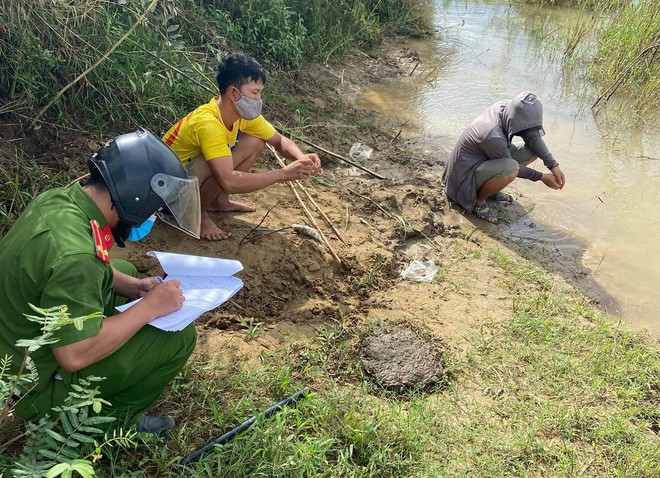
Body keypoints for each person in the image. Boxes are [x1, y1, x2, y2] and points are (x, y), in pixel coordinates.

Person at [0, 128, 201, 435]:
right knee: (179, 338)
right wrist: (149, 308)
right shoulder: (77, 259)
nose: (151, 217)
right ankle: (100, 429)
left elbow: (78, 268)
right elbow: (73, 355)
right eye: (154, 209)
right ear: (136, 196)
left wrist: (137, 289)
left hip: (13, 339)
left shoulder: (58, 201)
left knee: (124, 271)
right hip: (24, 386)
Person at [162, 52, 323, 241]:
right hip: (167, 193)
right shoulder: (208, 123)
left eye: (260, 93)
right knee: (217, 164)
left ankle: (219, 202)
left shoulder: (240, 116)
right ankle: (197, 215)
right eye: (254, 92)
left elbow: (280, 141)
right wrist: (284, 174)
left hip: (186, 182)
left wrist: (301, 157)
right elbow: (229, 180)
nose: (258, 99)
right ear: (233, 92)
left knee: (254, 142)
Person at [442, 91, 566, 224]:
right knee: (511, 168)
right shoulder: (493, 135)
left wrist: (553, 165)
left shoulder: (507, 108)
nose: (529, 131)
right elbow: (513, 167)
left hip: (481, 160)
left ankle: (491, 190)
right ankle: (479, 202)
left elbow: (533, 138)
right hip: (461, 180)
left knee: (532, 151)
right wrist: (542, 177)